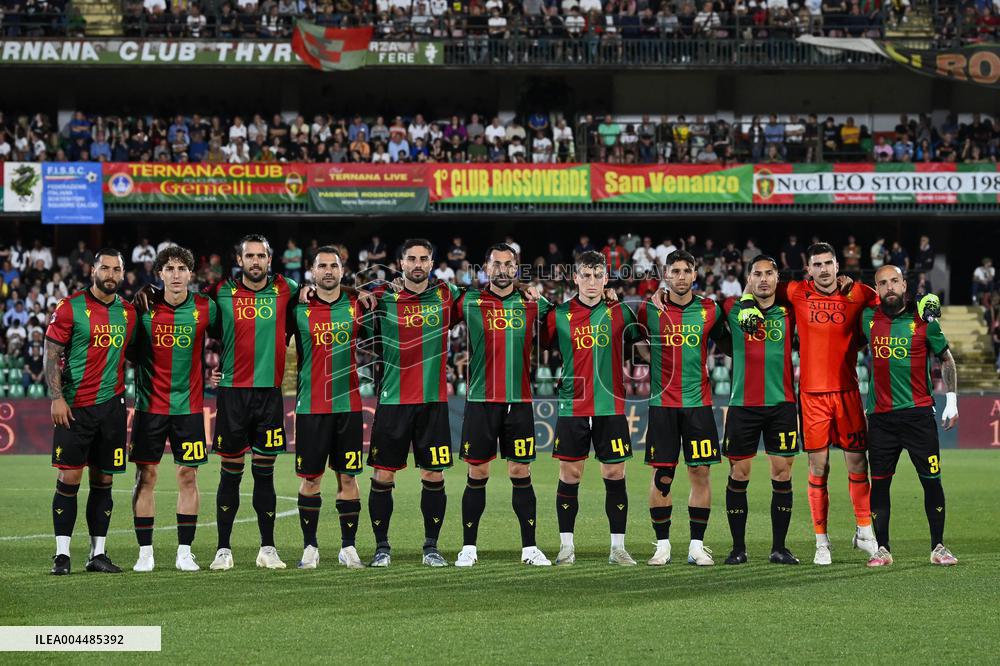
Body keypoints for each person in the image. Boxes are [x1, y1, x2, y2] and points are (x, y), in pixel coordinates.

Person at [452, 243, 553, 567]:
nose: (502, 269)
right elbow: (429, 292)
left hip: (519, 401)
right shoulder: (469, 301)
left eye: (509, 264)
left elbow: (569, 316)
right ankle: (469, 547)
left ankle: (529, 548)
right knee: (477, 472)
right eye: (496, 264)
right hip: (481, 400)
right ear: (486, 267)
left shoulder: (532, 303)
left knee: (520, 471)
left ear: (516, 268)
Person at [207, 235, 299, 571]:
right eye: (250, 256)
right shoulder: (220, 292)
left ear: (270, 260)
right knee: (230, 474)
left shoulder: (286, 288)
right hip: (232, 393)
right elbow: (204, 326)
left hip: (269, 395)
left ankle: (268, 548)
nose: (256, 261)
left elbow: (321, 292)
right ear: (239, 259)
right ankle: (223, 550)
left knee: (265, 474)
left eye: (261, 256)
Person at [366, 239, 460, 568]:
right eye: (411, 259)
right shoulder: (382, 297)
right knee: (382, 477)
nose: (417, 263)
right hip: (393, 402)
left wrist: (525, 286)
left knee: (433, 476)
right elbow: (345, 296)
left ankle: (431, 547)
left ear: (432, 262)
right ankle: (381, 548)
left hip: (432, 403)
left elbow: (494, 292)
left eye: (423, 258)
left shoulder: (447, 296)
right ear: (401, 263)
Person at [543, 251, 640, 566]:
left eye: (598, 275)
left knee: (615, 473)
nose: (592, 281)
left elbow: (643, 338)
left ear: (606, 278)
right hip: (573, 405)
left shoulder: (620, 312)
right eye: (586, 274)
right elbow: (537, 342)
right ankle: (566, 547)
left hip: (609, 405)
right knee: (570, 474)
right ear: (575, 278)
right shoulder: (558, 314)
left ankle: (617, 548)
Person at [46, 249, 137, 575]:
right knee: (69, 478)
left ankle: (98, 553)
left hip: (112, 408)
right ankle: (62, 555)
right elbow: (51, 350)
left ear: (123, 273)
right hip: (75, 408)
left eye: (116, 269)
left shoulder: (128, 313)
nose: (110, 274)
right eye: (105, 267)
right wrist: (56, 397)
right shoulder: (70, 307)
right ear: (93, 270)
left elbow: (138, 353)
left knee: (104, 481)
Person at [860, 265, 958, 567]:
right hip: (880, 420)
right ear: (877, 289)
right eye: (882, 283)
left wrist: (952, 401)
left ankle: (938, 546)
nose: (889, 287)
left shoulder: (925, 320)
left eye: (894, 281)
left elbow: (946, 358)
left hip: (918, 417)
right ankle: (882, 548)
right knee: (880, 485)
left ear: (905, 285)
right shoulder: (867, 318)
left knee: (932, 482)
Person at [129, 246, 217, 572]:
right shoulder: (143, 308)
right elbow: (127, 351)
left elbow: (233, 335)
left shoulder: (205, 307)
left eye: (182, 268)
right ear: (160, 274)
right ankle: (145, 553)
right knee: (146, 476)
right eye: (170, 268)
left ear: (191, 274)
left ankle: (184, 551)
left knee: (188, 476)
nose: (176, 274)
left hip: (190, 408)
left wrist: (222, 369)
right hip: (149, 407)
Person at [642, 251, 730, 566]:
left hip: (699, 404)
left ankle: (696, 546)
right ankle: (662, 545)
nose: (681, 276)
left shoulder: (710, 310)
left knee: (700, 472)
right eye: (675, 271)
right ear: (665, 275)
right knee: (663, 475)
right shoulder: (648, 310)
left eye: (686, 271)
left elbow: (730, 344)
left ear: (695, 275)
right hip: (662, 404)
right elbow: (629, 338)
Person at [288, 248, 370, 570]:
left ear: (342, 269)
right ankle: (310, 547)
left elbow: (383, 294)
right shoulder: (298, 309)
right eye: (321, 265)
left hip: (348, 407)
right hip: (310, 408)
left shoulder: (356, 306)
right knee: (311, 481)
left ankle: (348, 548)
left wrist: (357, 291)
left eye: (333, 265)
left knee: (348, 478)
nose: (327, 271)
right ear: (311, 271)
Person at [721, 256, 800, 565]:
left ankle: (779, 548)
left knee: (782, 474)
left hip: (781, 405)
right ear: (749, 279)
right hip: (743, 406)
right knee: (738, 474)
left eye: (769, 273)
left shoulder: (789, 312)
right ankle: (738, 548)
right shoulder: (732, 308)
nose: (764, 279)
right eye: (757, 274)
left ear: (777, 278)